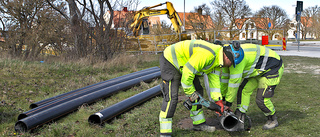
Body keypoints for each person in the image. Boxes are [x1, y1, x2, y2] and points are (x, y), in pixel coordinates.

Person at [158, 40, 244, 136]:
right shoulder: (208, 55)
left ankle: (198, 124)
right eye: (232, 63)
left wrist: (218, 101)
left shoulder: (217, 61)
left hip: (186, 64)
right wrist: (191, 94)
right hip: (171, 61)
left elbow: (214, 82)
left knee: (198, 91)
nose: (231, 65)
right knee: (172, 98)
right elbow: (187, 75)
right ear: (227, 57)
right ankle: (165, 133)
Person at [221, 43, 284, 130]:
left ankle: (272, 119)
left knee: (261, 99)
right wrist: (222, 98)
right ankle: (240, 115)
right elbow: (224, 79)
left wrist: (228, 103)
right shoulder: (226, 58)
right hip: (258, 70)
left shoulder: (236, 61)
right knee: (244, 90)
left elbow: (233, 83)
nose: (231, 65)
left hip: (272, 68)